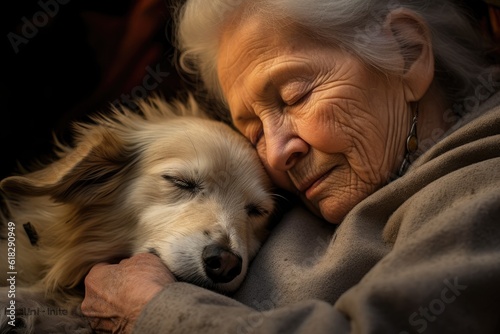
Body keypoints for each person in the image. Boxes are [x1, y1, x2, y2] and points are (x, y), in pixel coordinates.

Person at [81, 0, 500, 333]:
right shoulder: (341, 180)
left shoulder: (484, 181)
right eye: (254, 131)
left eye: (295, 97)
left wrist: (154, 314)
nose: (276, 154)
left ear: (406, 53)